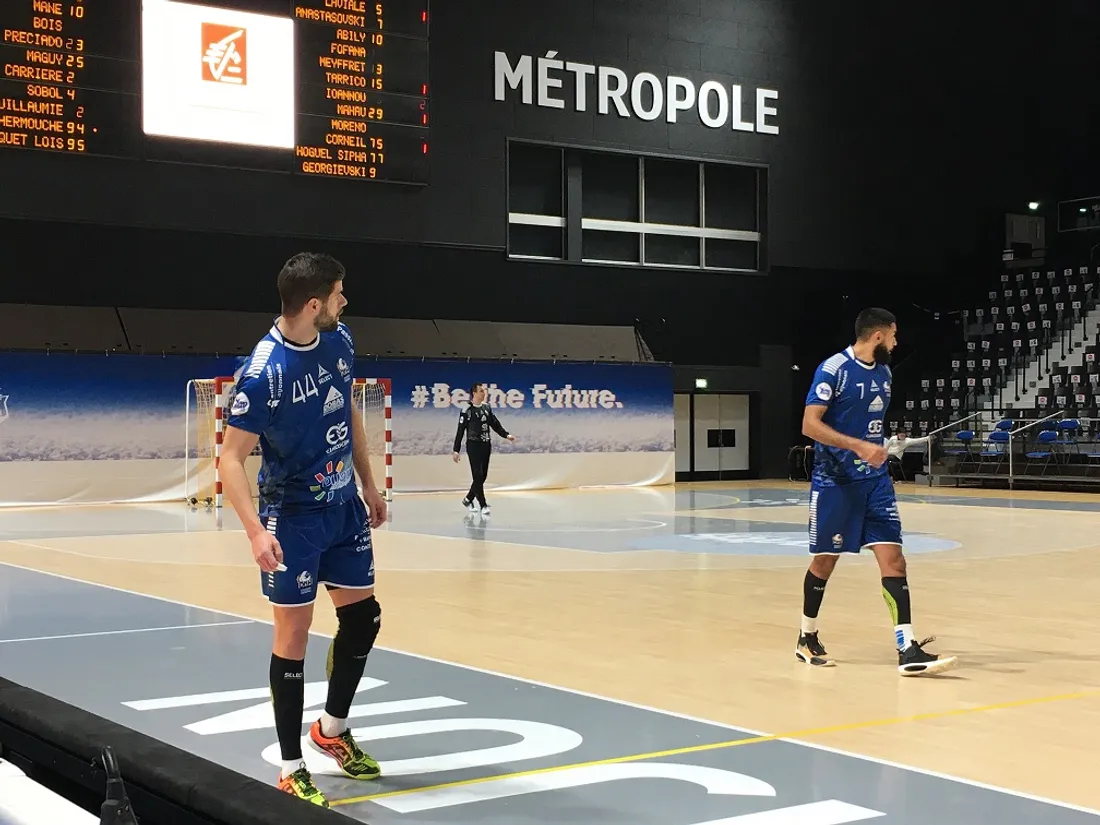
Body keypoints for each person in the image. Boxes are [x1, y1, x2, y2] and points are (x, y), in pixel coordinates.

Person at [220, 252, 389, 807]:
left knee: (363, 619)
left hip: (343, 509)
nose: (345, 303)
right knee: (292, 639)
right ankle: (292, 767)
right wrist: (253, 532)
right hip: (291, 518)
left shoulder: (339, 341)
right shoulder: (264, 372)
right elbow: (230, 459)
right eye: (339, 294)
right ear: (314, 304)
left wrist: (369, 484)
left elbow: (349, 415)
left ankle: (331, 733)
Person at [797, 307, 958, 677]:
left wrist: (874, 450)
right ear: (878, 336)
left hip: (875, 483)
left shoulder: (884, 373)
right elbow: (809, 425)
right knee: (826, 561)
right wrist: (857, 447)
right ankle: (807, 637)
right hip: (836, 482)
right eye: (894, 336)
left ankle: (907, 647)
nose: (897, 343)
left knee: (894, 560)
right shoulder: (833, 369)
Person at [451, 382, 515, 515]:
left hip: (486, 444)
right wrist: (456, 450)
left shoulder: (486, 408)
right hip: (473, 445)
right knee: (477, 475)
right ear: (474, 393)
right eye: (481, 391)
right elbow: (460, 430)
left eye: (484, 391)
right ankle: (483, 504)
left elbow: (495, 424)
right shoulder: (467, 409)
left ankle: (468, 498)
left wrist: (506, 434)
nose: (483, 393)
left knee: (483, 476)